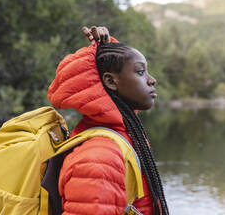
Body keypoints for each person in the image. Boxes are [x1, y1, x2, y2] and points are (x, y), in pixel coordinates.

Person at [47, 26, 169, 215]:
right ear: (111, 82)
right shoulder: (99, 159)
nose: (152, 80)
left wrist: (103, 49)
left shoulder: (121, 135)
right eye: (140, 72)